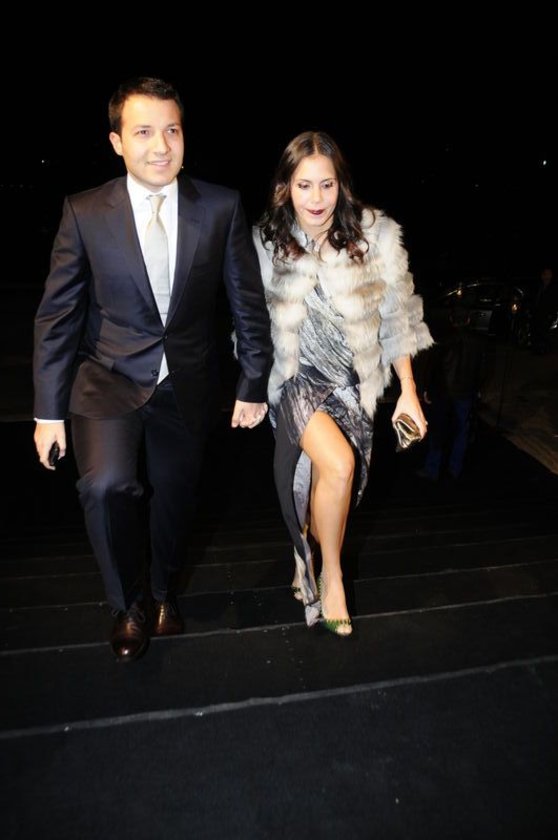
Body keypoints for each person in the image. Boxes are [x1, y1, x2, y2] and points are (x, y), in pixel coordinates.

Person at [33, 77, 272, 662]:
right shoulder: (85, 211)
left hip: (187, 381)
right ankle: (128, 606)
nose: (161, 145)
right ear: (117, 141)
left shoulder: (220, 206)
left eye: (172, 130)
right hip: (106, 376)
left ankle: (164, 590)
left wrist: (252, 381)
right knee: (106, 485)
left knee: (176, 499)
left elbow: (247, 302)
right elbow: (58, 316)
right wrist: (47, 412)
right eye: (143, 132)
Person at [253, 131, 432, 636]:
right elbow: (249, 321)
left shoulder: (376, 236)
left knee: (325, 485)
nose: (316, 199)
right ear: (285, 187)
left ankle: (303, 553)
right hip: (295, 381)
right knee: (338, 464)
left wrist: (408, 390)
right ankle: (331, 577)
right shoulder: (266, 241)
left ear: (341, 184)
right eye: (304, 185)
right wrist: (248, 386)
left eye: (326, 184)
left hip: (352, 384)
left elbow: (398, 317)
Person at [416, 306, 486, 481]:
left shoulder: (443, 340)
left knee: (438, 430)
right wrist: (477, 389)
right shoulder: (478, 342)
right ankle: (455, 468)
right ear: (468, 319)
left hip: (443, 392)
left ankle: (432, 469)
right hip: (465, 392)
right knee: (462, 431)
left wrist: (426, 389)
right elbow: (481, 370)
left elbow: (433, 367)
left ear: (451, 319)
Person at [530, 266, 558, 355]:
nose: (547, 276)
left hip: (548, 315)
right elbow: (536, 300)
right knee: (536, 332)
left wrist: (551, 314)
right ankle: (537, 349)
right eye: (545, 274)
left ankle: (545, 350)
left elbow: (554, 302)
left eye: (549, 274)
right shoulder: (540, 287)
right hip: (537, 314)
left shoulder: (553, 288)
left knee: (545, 333)